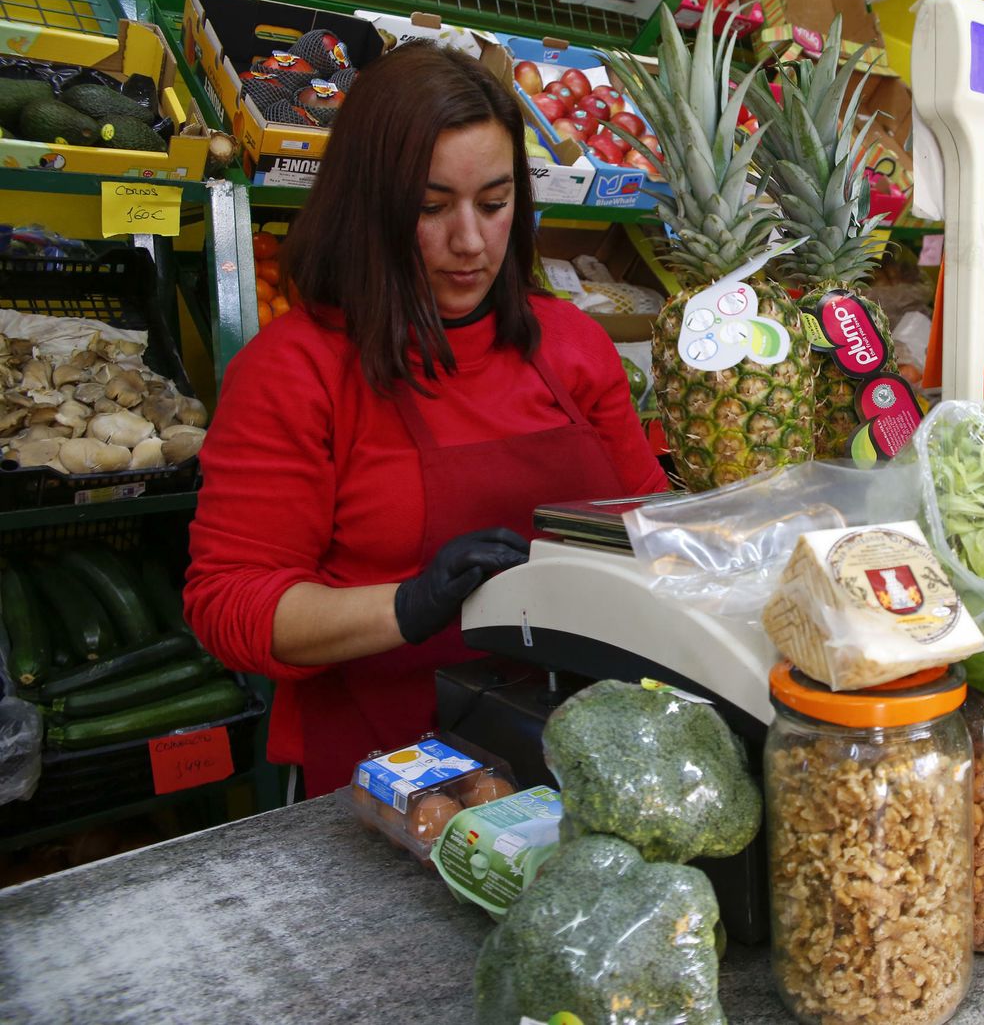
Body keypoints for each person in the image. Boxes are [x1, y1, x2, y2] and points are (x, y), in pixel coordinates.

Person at [185, 42, 668, 799]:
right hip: (388, 777)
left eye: (495, 202)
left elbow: (648, 531)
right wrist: (408, 604)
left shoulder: (573, 344)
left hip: (590, 755)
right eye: (431, 207)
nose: (470, 242)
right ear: (368, 204)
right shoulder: (294, 371)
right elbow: (231, 604)